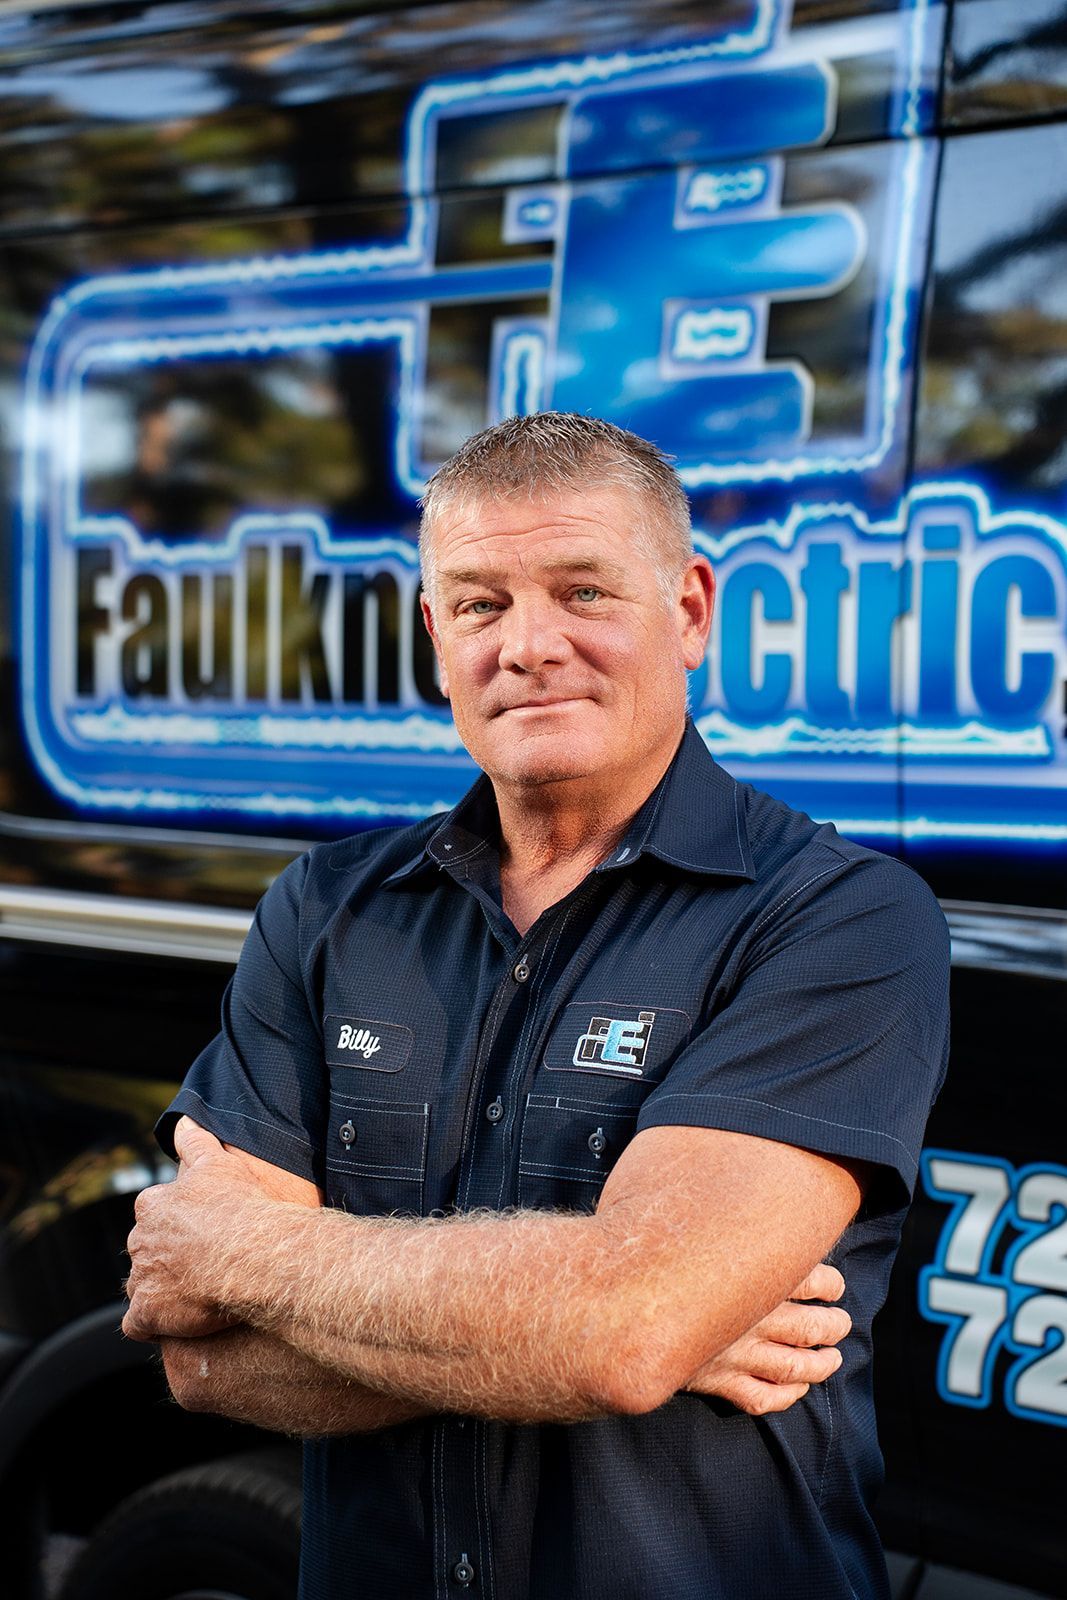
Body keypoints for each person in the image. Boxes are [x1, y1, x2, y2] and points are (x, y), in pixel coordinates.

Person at [124, 412, 950, 1600]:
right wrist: (595, 1323)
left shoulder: (838, 916)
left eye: (581, 591)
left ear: (690, 612)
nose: (528, 645)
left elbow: (619, 1333)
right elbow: (201, 1359)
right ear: (433, 632)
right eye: (476, 603)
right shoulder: (327, 909)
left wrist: (247, 1251)